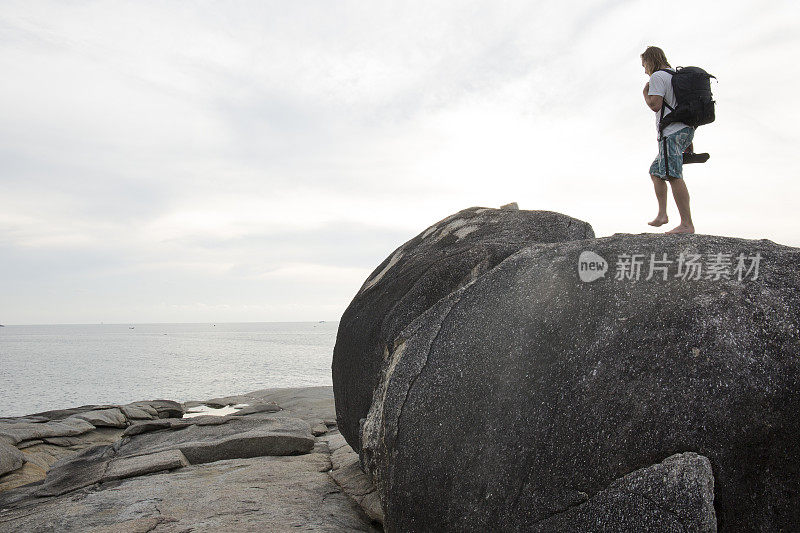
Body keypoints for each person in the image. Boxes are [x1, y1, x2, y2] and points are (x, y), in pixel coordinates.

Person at [641, 46, 695, 234]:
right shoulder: (676, 75)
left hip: (670, 132)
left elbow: (655, 105)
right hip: (685, 131)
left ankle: (687, 224)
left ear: (649, 61)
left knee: (673, 175)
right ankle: (662, 214)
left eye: (644, 65)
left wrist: (645, 95)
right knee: (656, 171)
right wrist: (688, 143)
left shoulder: (657, 77)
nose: (644, 69)